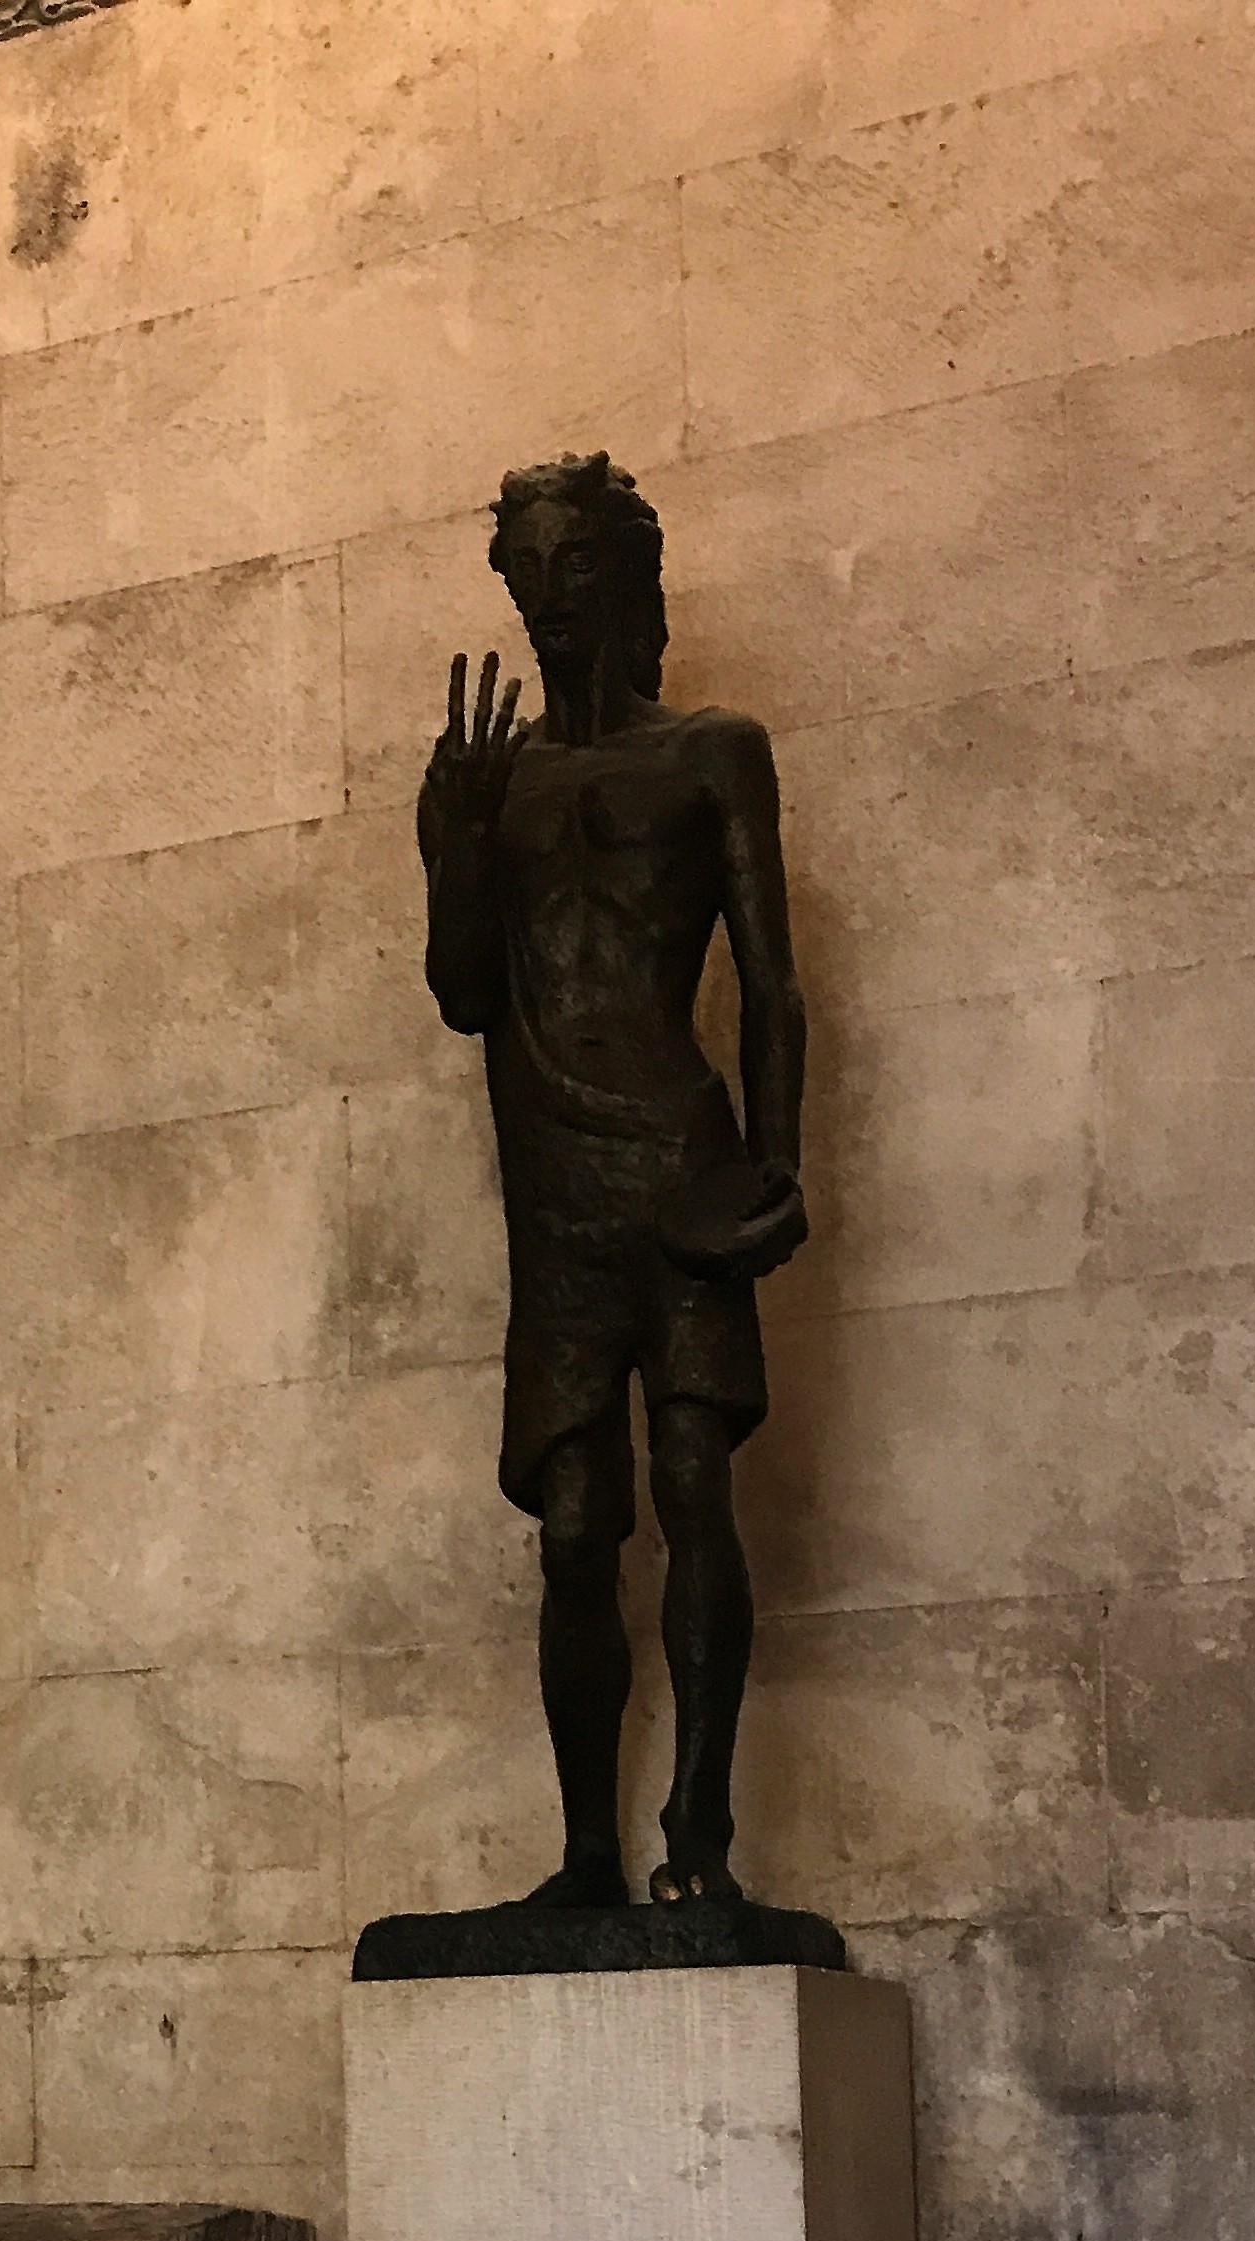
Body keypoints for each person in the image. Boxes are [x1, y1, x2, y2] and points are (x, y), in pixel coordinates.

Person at [419, 450, 810, 1909]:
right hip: (556, 1188)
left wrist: (777, 1164)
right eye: (526, 571)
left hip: (678, 1160)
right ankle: (586, 1857)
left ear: (630, 577)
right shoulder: (493, 780)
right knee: (576, 1525)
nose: (549, 596)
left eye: (574, 565)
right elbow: (466, 994)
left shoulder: (712, 752)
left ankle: (698, 1840)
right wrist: (458, 850)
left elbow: (771, 986)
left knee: (696, 1482)